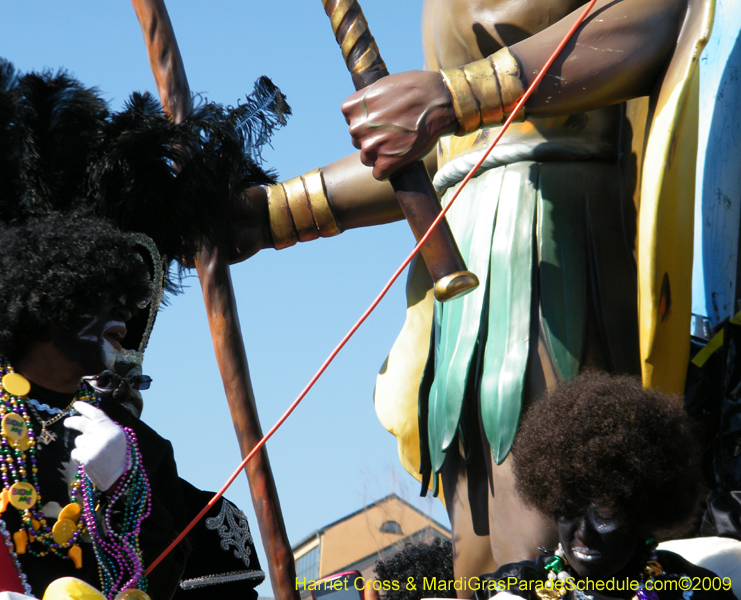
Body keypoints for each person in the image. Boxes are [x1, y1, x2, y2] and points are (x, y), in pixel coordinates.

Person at [227, 0, 714, 584]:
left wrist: (455, 96)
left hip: (563, 247)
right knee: (481, 562)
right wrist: (275, 213)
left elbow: (658, 19)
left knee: (550, 535)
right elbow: (447, 155)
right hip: (460, 285)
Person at [0, 214, 265, 600]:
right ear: (46, 300)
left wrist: (124, 490)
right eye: (102, 298)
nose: (125, 314)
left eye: (126, 302)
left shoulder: (140, 446)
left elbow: (163, 579)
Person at [465, 370, 736, 599]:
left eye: (605, 513)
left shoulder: (696, 591)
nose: (584, 533)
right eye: (569, 508)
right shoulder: (511, 589)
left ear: (643, 511)